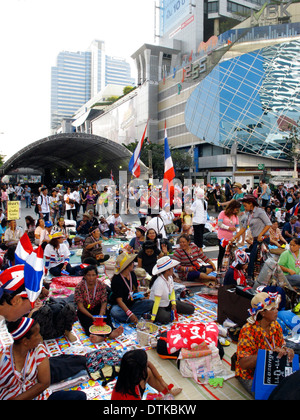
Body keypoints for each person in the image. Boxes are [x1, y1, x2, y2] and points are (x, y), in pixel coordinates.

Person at [0, 317, 86, 400]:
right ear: (25, 341)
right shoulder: (2, 358)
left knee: (79, 396)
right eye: (37, 334)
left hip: (38, 397)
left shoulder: (38, 350)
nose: (40, 337)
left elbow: (44, 383)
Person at [235, 292, 294, 396]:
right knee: (269, 395)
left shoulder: (275, 325)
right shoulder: (248, 330)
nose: (277, 311)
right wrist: (268, 354)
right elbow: (243, 364)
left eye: (276, 308)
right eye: (272, 309)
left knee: (291, 388)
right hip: (250, 373)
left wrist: (286, 350)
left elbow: (281, 345)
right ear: (262, 313)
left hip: (270, 369)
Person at [75, 265, 123, 344]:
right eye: (88, 275)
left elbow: (104, 301)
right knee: (87, 321)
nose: (91, 278)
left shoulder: (101, 285)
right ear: (85, 276)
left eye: (93, 275)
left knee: (106, 316)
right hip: (86, 310)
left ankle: (110, 332)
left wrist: (101, 314)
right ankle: (98, 336)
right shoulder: (79, 287)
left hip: (98, 308)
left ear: (97, 276)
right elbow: (80, 306)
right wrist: (91, 316)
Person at [229, 194, 272, 281]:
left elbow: (268, 224)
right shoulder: (248, 214)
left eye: (245, 205)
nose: (244, 208)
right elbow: (244, 228)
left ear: (251, 204)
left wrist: (261, 235)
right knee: (252, 258)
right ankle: (254, 277)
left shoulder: (260, 212)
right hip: (256, 240)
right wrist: (234, 238)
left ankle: (251, 278)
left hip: (263, 239)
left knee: (254, 259)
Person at [111, 349, 182, 400]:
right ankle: (164, 395)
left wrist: (161, 381)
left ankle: (166, 393)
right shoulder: (129, 396)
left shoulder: (127, 373)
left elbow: (148, 363)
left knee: (148, 371)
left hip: (135, 388)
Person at [110, 253, 153, 324]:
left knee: (150, 303)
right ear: (127, 266)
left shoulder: (132, 274)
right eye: (132, 263)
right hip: (121, 306)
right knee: (115, 312)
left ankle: (132, 316)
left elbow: (135, 290)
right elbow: (119, 300)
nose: (134, 264)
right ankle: (136, 316)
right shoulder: (116, 279)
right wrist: (129, 314)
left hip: (132, 302)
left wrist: (142, 295)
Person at [149, 256, 194, 324]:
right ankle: (162, 313)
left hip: (167, 302)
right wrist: (152, 319)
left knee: (190, 309)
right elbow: (156, 302)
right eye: (172, 268)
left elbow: (172, 291)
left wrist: (173, 303)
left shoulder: (170, 278)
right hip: (158, 306)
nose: (173, 269)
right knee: (166, 318)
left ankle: (169, 310)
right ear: (167, 270)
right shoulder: (159, 283)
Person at [217, 200, 241, 270]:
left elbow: (237, 226)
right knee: (222, 253)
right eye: (236, 209)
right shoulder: (222, 213)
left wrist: (238, 233)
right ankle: (219, 268)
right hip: (222, 237)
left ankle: (228, 269)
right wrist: (228, 228)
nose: (236, 211)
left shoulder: (235, 216)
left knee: (230, 255)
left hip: (231, 238)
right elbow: (219, 224)